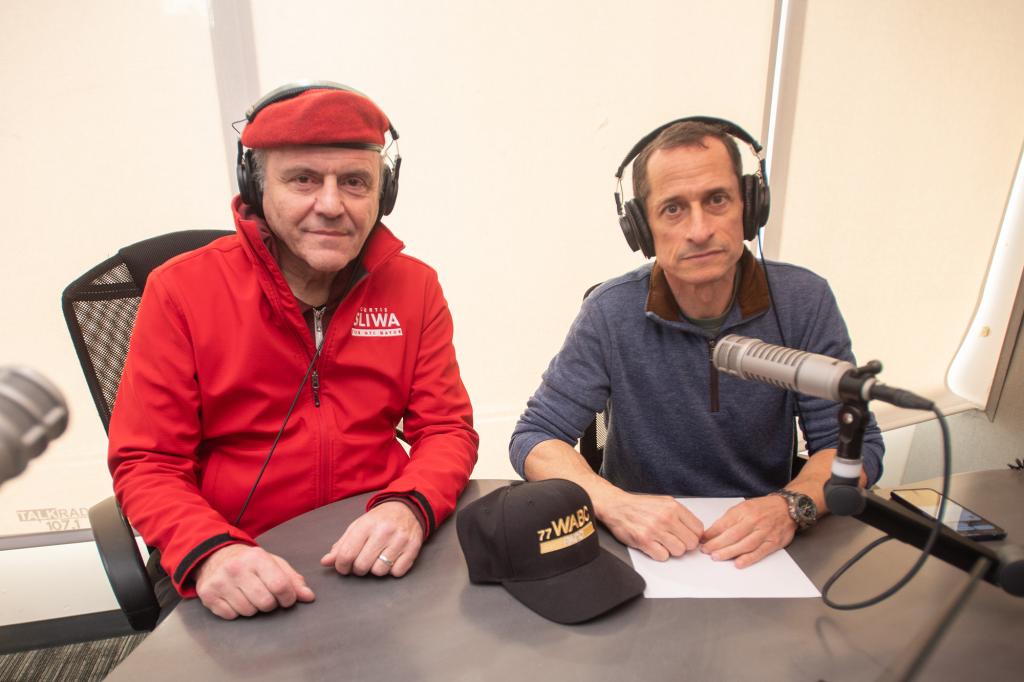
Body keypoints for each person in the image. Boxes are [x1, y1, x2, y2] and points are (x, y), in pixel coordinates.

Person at [108, 82, 478, 620]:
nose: (330, 205)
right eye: (303, 179)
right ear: (257, 188)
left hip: (376, 548)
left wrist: (409, 506)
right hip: (235, 557)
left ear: (383, 193)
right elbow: (147, 462)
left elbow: (446, 429)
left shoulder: (414, 288)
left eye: (354, 182)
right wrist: (210, 551)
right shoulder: (181, 290)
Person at [510, 117, 883, 569]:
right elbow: (535, 437)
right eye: (673, 209)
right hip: (643, 545)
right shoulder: (610, 311)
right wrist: (614, 503)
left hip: (760, 546)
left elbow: (853, 449)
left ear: (749, 206)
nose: (700, 229)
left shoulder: (804, 301)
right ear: (642, 231)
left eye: (717, 199)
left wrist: (791, 506)